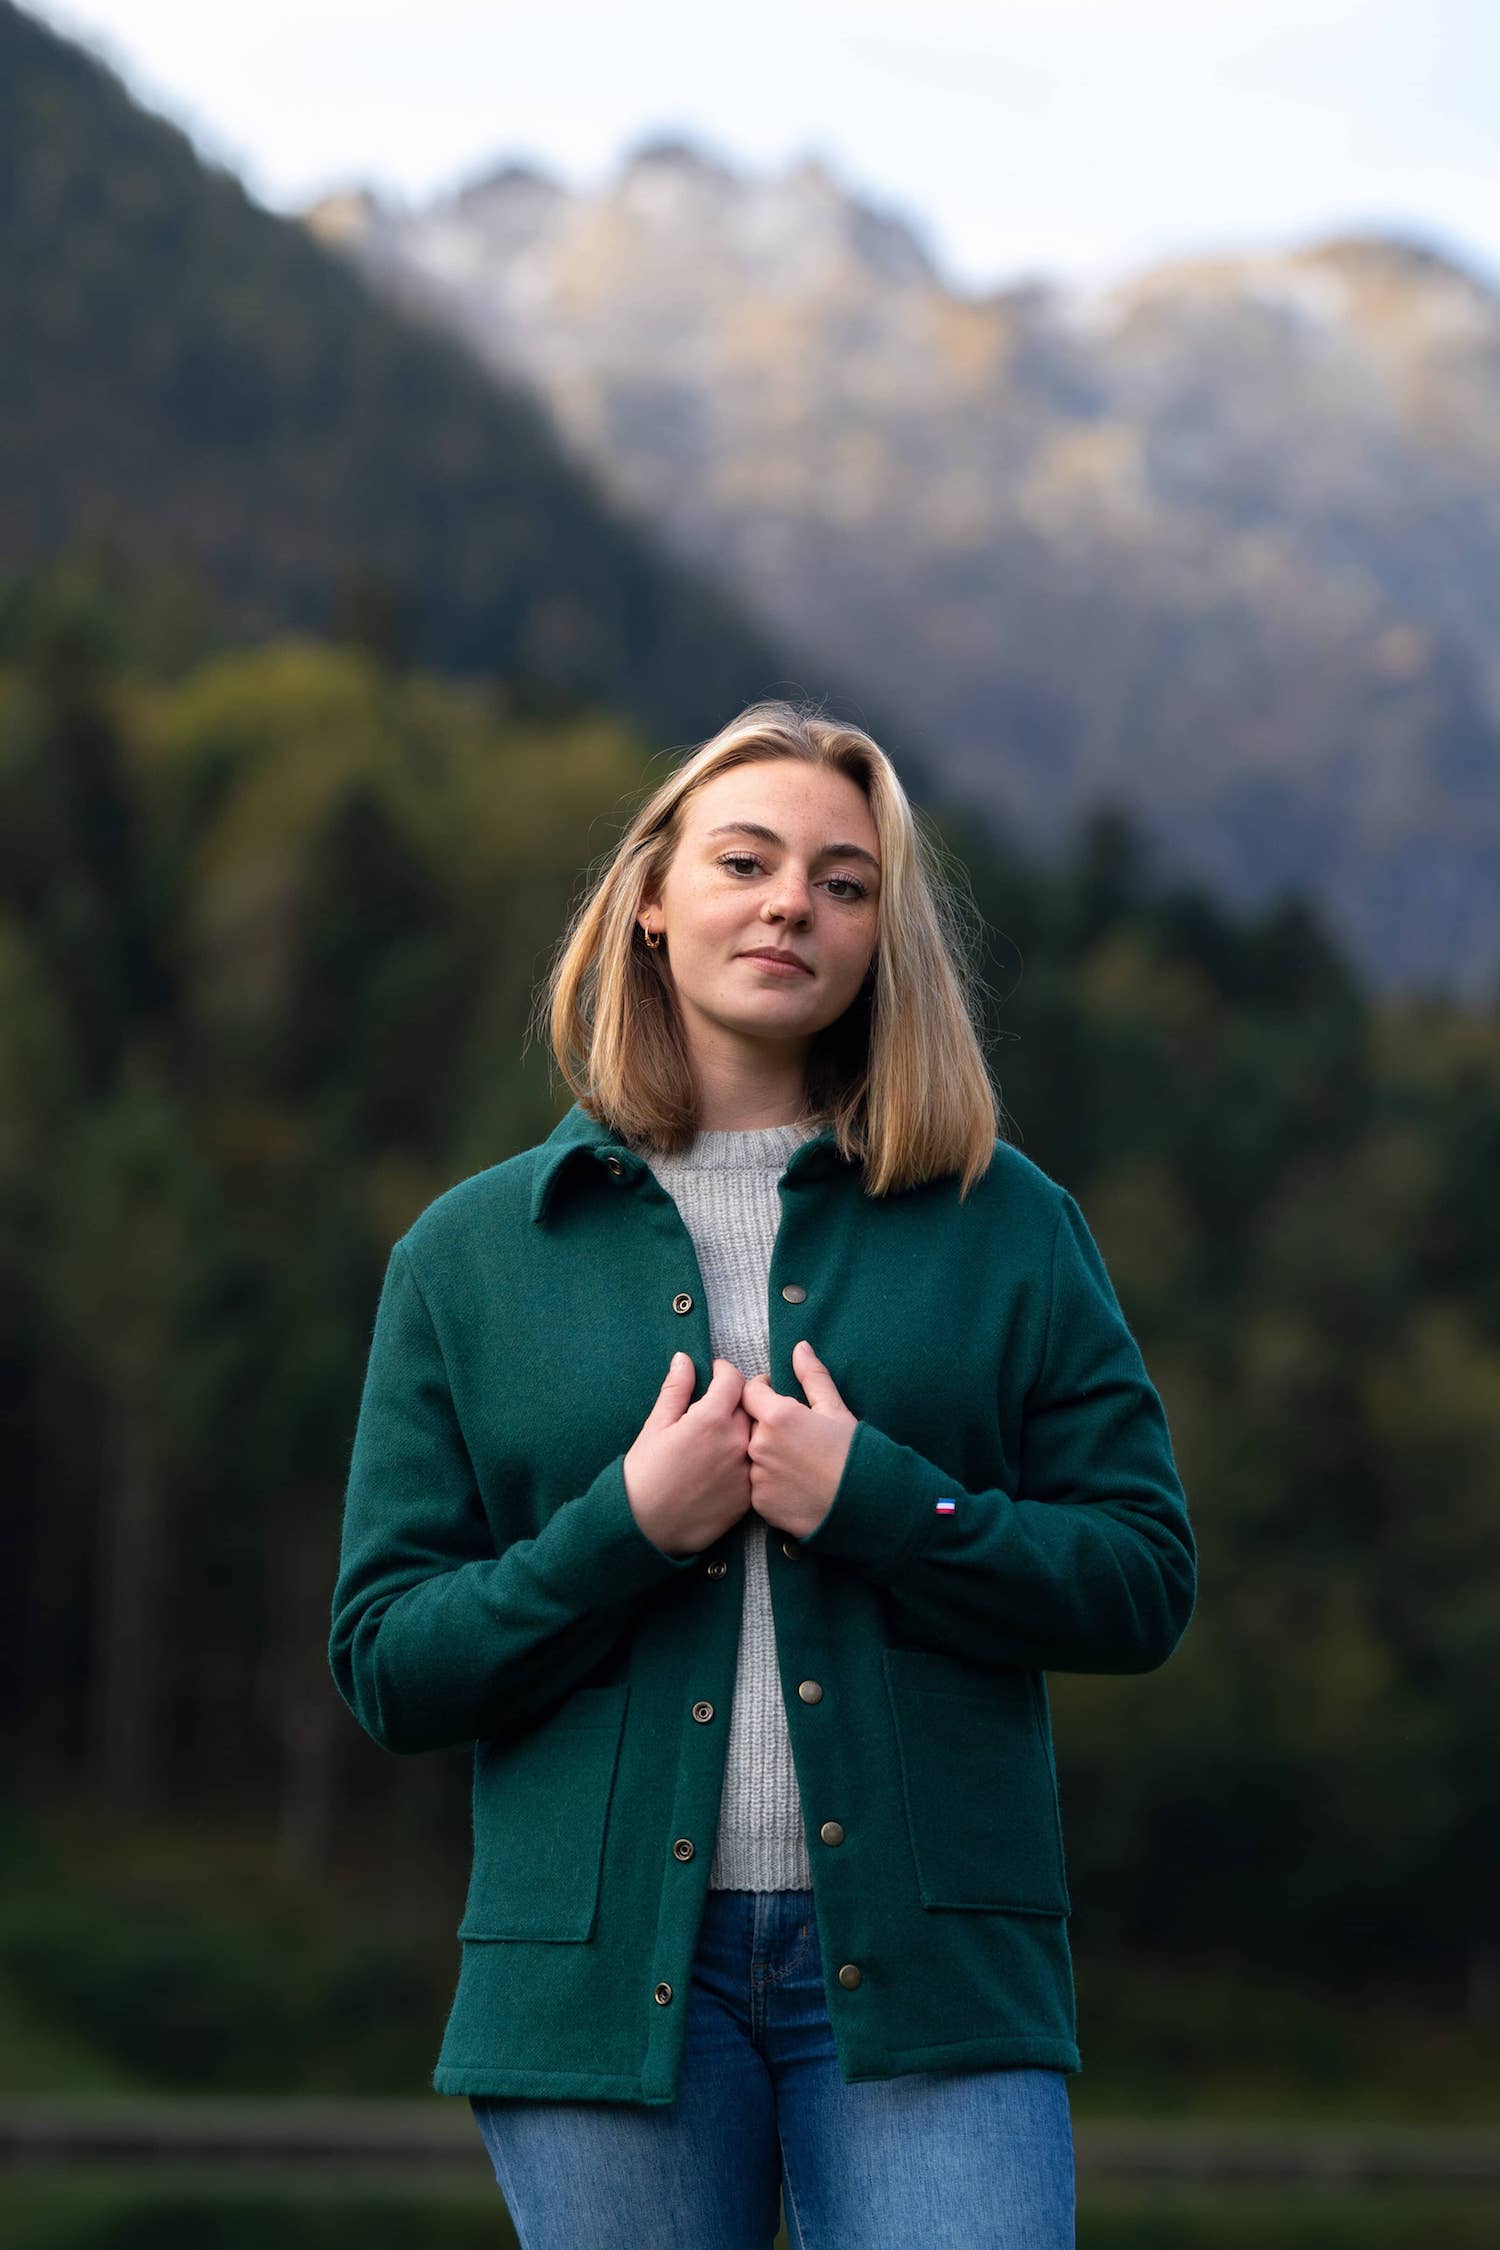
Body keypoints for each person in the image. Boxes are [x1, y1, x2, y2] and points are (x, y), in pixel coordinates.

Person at [328, 698, 1197, 2249]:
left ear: (880, 937)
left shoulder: (1007, 1224)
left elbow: (1141, 1578)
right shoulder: (470, 1255)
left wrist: (882, 1503)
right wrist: (625, 1532)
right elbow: (390, 1661)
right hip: (596, 1997)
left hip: (940, 1986)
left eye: (845, 879)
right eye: (747, 859)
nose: (794, 899)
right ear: (651, 900)